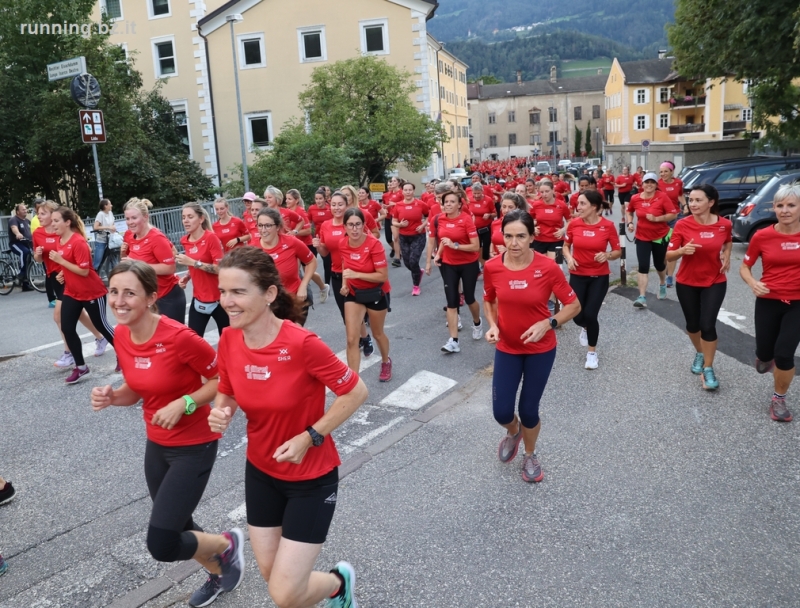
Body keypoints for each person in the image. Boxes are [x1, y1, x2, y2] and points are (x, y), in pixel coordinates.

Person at [208, 247, 368, 608]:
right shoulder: (231, 339)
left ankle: (336, 584)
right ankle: (328, 588)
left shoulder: (301, 343)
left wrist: (310, 436)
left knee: (283, 593)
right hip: (261, 470)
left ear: (268, 294)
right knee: (273, 577)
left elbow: (356, 390)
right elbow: (228, 388)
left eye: (238, 292)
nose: (227, 302)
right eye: (222, 291)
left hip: (310, 477)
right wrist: (221, 411)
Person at [91, 260, 245, 608]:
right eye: (114, 292)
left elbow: (223, 380)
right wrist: (113, 396)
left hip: (194, 445)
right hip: (157, 444)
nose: (119, 301)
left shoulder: (180, 338)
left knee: (161, 543)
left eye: (130, 293)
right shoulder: (123, 334)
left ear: (151, 297)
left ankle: (225, 546)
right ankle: (219, 571)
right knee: (180, 521)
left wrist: (186, 402)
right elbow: (136, 386)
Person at [483, 209, 580, 482]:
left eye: (521, 237)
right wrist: (492, 325)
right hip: (507, 348)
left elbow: (574, 305)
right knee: (501, 411)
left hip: (540, 349)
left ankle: (529, 453)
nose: (514, 243)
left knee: (528, 409)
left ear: (532, 237)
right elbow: (489, 300)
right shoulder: (492, 267)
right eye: (509, 236)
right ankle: (513, 432)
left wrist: (549, 323)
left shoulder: (547, 267)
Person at [740, 183, 800, 422]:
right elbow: (745, 267)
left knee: (784, 353)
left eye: (792, 205)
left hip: (798, 303)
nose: (785, 210)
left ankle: (779, 399)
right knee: (766, 354)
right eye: (780, 205)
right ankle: (764, 357)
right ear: (774, 207)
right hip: (768, 300)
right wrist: (753, 283)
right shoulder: (762, 236)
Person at [666, 184, 732, 391]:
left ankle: (708, 368)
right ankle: (700, 352)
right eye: (690, 200)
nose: (692, 204)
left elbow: (728, 241)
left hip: (715, 280)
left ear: (711, 203)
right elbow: (668, 255)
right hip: (687, 281)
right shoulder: (682, 225)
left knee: (708, 324)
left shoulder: (724, 225)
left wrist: (727, 254)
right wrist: (682, 251)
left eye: (697, 200)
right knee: (692, 325)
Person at [33, 200, 109, 369]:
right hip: (57, 278)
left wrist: (63, 268)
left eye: (44, 213)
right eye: (38, 213)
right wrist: (38, 256)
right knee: (72, 319)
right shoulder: (39, 234)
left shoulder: (69, 235)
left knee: (62, 316)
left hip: (76, 281)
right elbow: (40, 259)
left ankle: (72, 353)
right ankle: (91, 348)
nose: (40, 216)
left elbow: (79, 261)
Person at [48, 207, 116, 384]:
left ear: (67, 222)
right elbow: (70, 264)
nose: (52, 224)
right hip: (72, 291)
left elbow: (85, 271)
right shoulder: (60, 240)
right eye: (52, 220)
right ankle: (81, 367)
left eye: (56, 221)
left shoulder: (78, 241)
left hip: (91, 291)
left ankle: (125, 356)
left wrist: (61, 262)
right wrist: (63, 271)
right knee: (67, 328)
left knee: (101, 325)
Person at [562, 190, 621, 369]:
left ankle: (591, 354)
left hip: (598, 276)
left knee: (590, 314)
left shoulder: (608, 226)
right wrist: (569, 258)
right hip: (578, 275)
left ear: (594, 207)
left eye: (582, 204)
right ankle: (585, 327)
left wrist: (607, 255)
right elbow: (566, 246)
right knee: (577, 316)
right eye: (577, 203)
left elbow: (617, 251)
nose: (577, 207)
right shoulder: (573, 224)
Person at [315, 191, 374, 356]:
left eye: (340, 204)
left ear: (347, 205)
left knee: (354, 312)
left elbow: (369, 242)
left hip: (355, 273)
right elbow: (326, 253)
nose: (336, 208)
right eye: (333, 204)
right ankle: (364, 337)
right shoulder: (326, 225)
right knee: (346, 314)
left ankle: (361, 340)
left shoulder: (353, 222)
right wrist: (319, 246)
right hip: (336, 274)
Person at [340, 208, 393, 381]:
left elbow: (382, 275)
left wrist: (357, 275)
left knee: (377, 333)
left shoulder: (373, 244)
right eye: (350, 225)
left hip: (375, 292)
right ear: (345, 226)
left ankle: (386, 361)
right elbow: (344, 264)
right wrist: (344, 284)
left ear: (364, 225)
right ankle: (352, 380)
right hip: (354, 293)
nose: (354, 229)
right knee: (351, 339)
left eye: (357, 224)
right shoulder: (343, 243)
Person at [430, 190, 484, 353]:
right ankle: (453, 341)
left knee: (469, 298)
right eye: (446, 202)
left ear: (459, 204)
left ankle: (477, 322)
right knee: (451, 302)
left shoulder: (466, 220)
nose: (448, 204)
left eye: (452, 202)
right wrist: (438, 255)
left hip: (468, 264)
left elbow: (475, 246)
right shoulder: (440, 219)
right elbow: (443, 241)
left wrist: (456, 245)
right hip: (449, 264)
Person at [121, 198, 186, 323]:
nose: (130, 222)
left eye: (134, 218)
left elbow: (170, 267)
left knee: (172, 340)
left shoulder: (156, 237)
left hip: (167, 296)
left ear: (146, 217)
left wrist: (139, 264)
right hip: (147, 298)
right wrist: (123, 254)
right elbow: (129, 262)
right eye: (127, 219)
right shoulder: (129, 235)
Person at [174, 202, 229, 338]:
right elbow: (193, 266)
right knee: (193, 342)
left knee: (228, 340)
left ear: (201, 219)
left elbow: (219, 269)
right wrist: (187, 277)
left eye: (190, 217)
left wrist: (192, 262)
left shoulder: (211, 238)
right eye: (184, 217)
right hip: (198, 299)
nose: (186, 220)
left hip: (218, 300)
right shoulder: (184, 240)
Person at [255, 208, 318, 326]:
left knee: (293, 339)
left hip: (294, 299)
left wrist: (303, 286)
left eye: (268, 226)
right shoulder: (253, 248)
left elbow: (312, 261)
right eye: (260, 225)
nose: (263, 230)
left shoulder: (291, 242)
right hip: (268, 304)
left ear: (278, 227)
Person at [626, 172, 678, 308]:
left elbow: (673, 214)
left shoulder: (662, 197)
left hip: (659, 236)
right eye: (646, 182)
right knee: (643, 266)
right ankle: (642, 297)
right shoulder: (635, 198)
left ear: (656, 185)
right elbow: (629, 211)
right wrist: (630, 223)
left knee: (659, 265)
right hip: (642, 237)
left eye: (652, 182)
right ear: (641, 184)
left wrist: (657, 219)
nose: (649, 184)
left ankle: (662, 283)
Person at [287, 188, 329, 298]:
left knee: (308, 273)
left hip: (306, 244)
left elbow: (308, 230)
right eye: (286, 199)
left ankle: (323, 287)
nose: (286, 201)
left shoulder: (300, 211)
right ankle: (295, 294)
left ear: (296, 200)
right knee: (295, 271)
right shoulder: (287, 212)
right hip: (293, 246)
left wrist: (294, 232)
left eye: (289, 199)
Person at [392, 182, 429, 295]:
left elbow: (428, 216)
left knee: (413, 261)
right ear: (402, 191)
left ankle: (416, 286)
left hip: (418, 236)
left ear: (413, 191)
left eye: (410, 190)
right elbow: (394, 221)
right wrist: (400, 225)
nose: (408, 192)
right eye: (406, 190)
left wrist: (422, 225)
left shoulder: (421, 204)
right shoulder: (398, 205)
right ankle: (418, 272)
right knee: (407, 262)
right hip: (404, 237)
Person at [659, 160, 687, 287]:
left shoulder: (678, 182)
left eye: (665, 171)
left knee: (673, 247)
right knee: (663, 249)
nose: (663, 174)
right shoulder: (657, 184)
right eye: (661, 172)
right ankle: (664, 271)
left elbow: (680, 195)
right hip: (661, 218)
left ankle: (670, 276)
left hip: (675, 217)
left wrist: (685, 205)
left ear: (672, 172)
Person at [308, 188, 333, 301]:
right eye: (316, 199)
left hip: (327, 239)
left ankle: (327, 285)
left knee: (327, 263)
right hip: (315, 239)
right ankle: (309, 282)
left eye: (320, 199)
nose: (318, 201)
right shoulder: (312, 209)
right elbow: (307, 223)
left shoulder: (330, 208)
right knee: (311, 261)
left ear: (325, 199)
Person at [467, 183, 496, 271]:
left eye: (478, 193)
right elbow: (466, 213)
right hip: (474, 228)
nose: (476, 195)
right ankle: (478, 266)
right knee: (476, 247)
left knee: (486, 246)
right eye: (474, 193)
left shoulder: (488, 200)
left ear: (482, 192)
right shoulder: (469, 200)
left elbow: (495, 214)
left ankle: (487, 265)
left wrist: (489, 215)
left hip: (486, 227)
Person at [490, 192, 528, 257]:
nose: (506, 210)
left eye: (510, 207)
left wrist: (508, 251)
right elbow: (492, 241)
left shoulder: (523, 225)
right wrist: (491, 252)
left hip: (514, 261)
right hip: (497, 261)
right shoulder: (495, 223)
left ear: (517, 207)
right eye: (504, 206)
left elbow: (527, 248)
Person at [8, 202, 34, 291]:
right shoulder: (14, 219)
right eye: (23, 209)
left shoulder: (27, 221)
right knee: (25, 252)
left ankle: (25, 285)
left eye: (25, 209)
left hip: (26, 243)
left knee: (29, 258)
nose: (25, 211)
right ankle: (21, 274)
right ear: (17, 212)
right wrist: (18, 233)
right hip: (16, 243)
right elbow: (14, 228)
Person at [382, 176, 404, 265]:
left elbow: (405, 203)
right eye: (392, 181)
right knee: (393, 238)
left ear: (398, 183)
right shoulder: (388, 194)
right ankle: (398, 256)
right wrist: (386, 208)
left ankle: (399, 256)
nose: (392, 183)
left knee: (397, 238)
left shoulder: (402, 192)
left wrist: (394, 204)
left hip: (401, 216)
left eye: (394, 181)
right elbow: (385, 204)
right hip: (391, 216)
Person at [93, 199, 117, 270]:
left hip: (110, 239)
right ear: (105, 206)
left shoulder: (110, 213)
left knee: (114, 258)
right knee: (98, 261)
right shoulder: (100, 214)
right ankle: (94, 274)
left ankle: (115, 274)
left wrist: (113, 228)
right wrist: (108, 227)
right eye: (110, 204)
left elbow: (112, 224)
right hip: (101, 240)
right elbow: (95, 227)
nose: (111, 205)